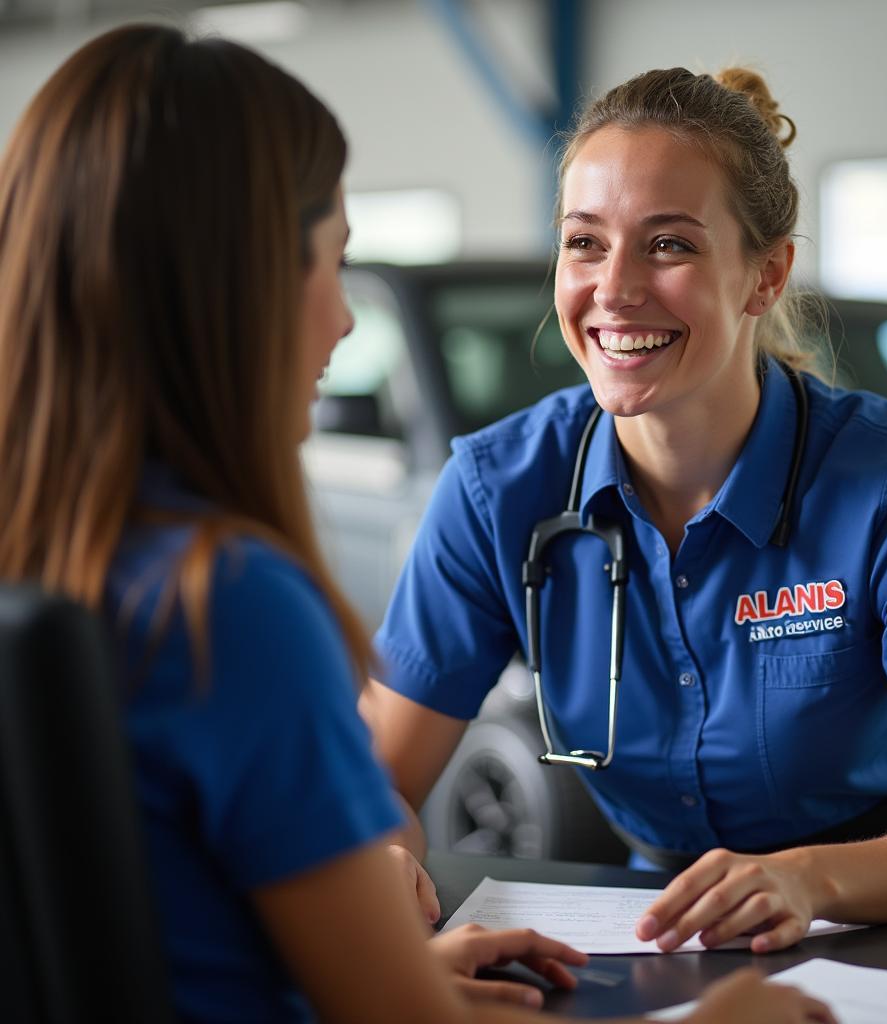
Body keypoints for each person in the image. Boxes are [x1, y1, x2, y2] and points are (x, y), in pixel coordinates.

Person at [0, 25, 837, 1024]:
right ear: (238, 283)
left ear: (764, 276)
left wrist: (384, 981)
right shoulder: (229, 604)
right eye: (328, 262)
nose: (344, 321)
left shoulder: (57, 567)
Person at [362, 64, 887, 955]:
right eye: (585, 242)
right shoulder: (496, 488)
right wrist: (381, 864)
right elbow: (372, 785)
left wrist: (810, 877)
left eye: (668, 245)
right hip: (658, 932)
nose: (616, 288)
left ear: (765, 274)